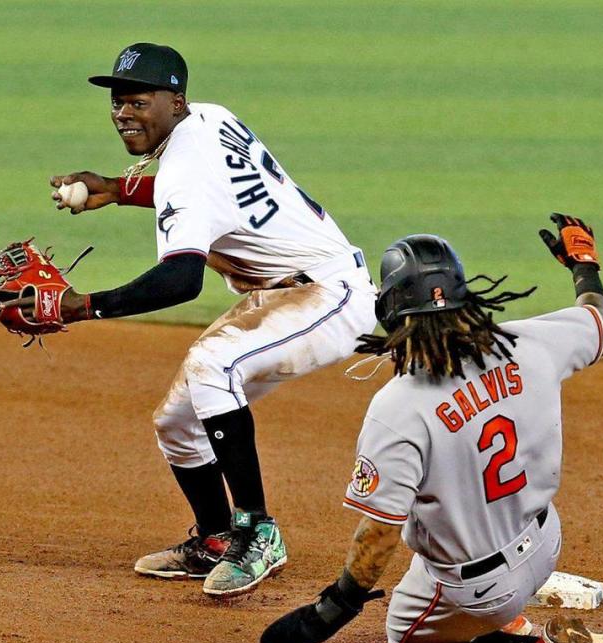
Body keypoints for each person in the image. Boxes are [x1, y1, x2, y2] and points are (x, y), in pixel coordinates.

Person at [47, 43, 377, 597]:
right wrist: (117, 187)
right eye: (118, 102)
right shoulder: (210, 117)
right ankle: (218, 539)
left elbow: (182, 280)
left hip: (329, 295)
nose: (124, 112)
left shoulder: (184, 168)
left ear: (175, 102)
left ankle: (258, 529)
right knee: (176, 424)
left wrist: (80, 306)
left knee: (211, 362)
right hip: (284, 293)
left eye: (139, 101)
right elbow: (211, 193)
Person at [261, 215, 603, 643]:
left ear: (390, 310)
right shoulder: (527, 343)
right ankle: (506, 609)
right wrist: (583, 265)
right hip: (545, 543)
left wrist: (333, 608)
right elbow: (598, 318)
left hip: (478, 594)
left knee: (403, 635)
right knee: (437, 537)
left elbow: (381, 533)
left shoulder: (398, 407)